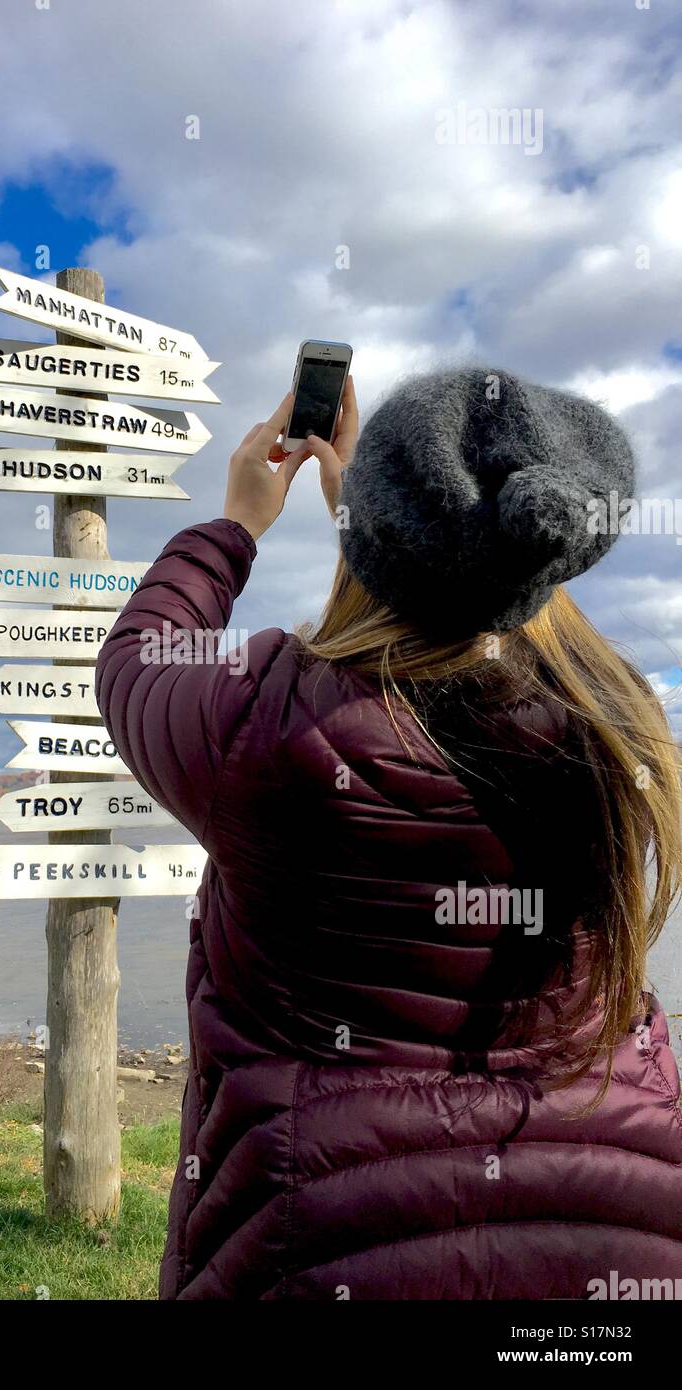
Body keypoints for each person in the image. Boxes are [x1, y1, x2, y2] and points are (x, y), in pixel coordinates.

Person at [95, 367, 682, 1300]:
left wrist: (236, 524)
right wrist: (381, 525)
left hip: (314, 1240)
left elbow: (133, 661)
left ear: (371, 537)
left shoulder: (263, 721)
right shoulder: (617, 724)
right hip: (621, 1233)